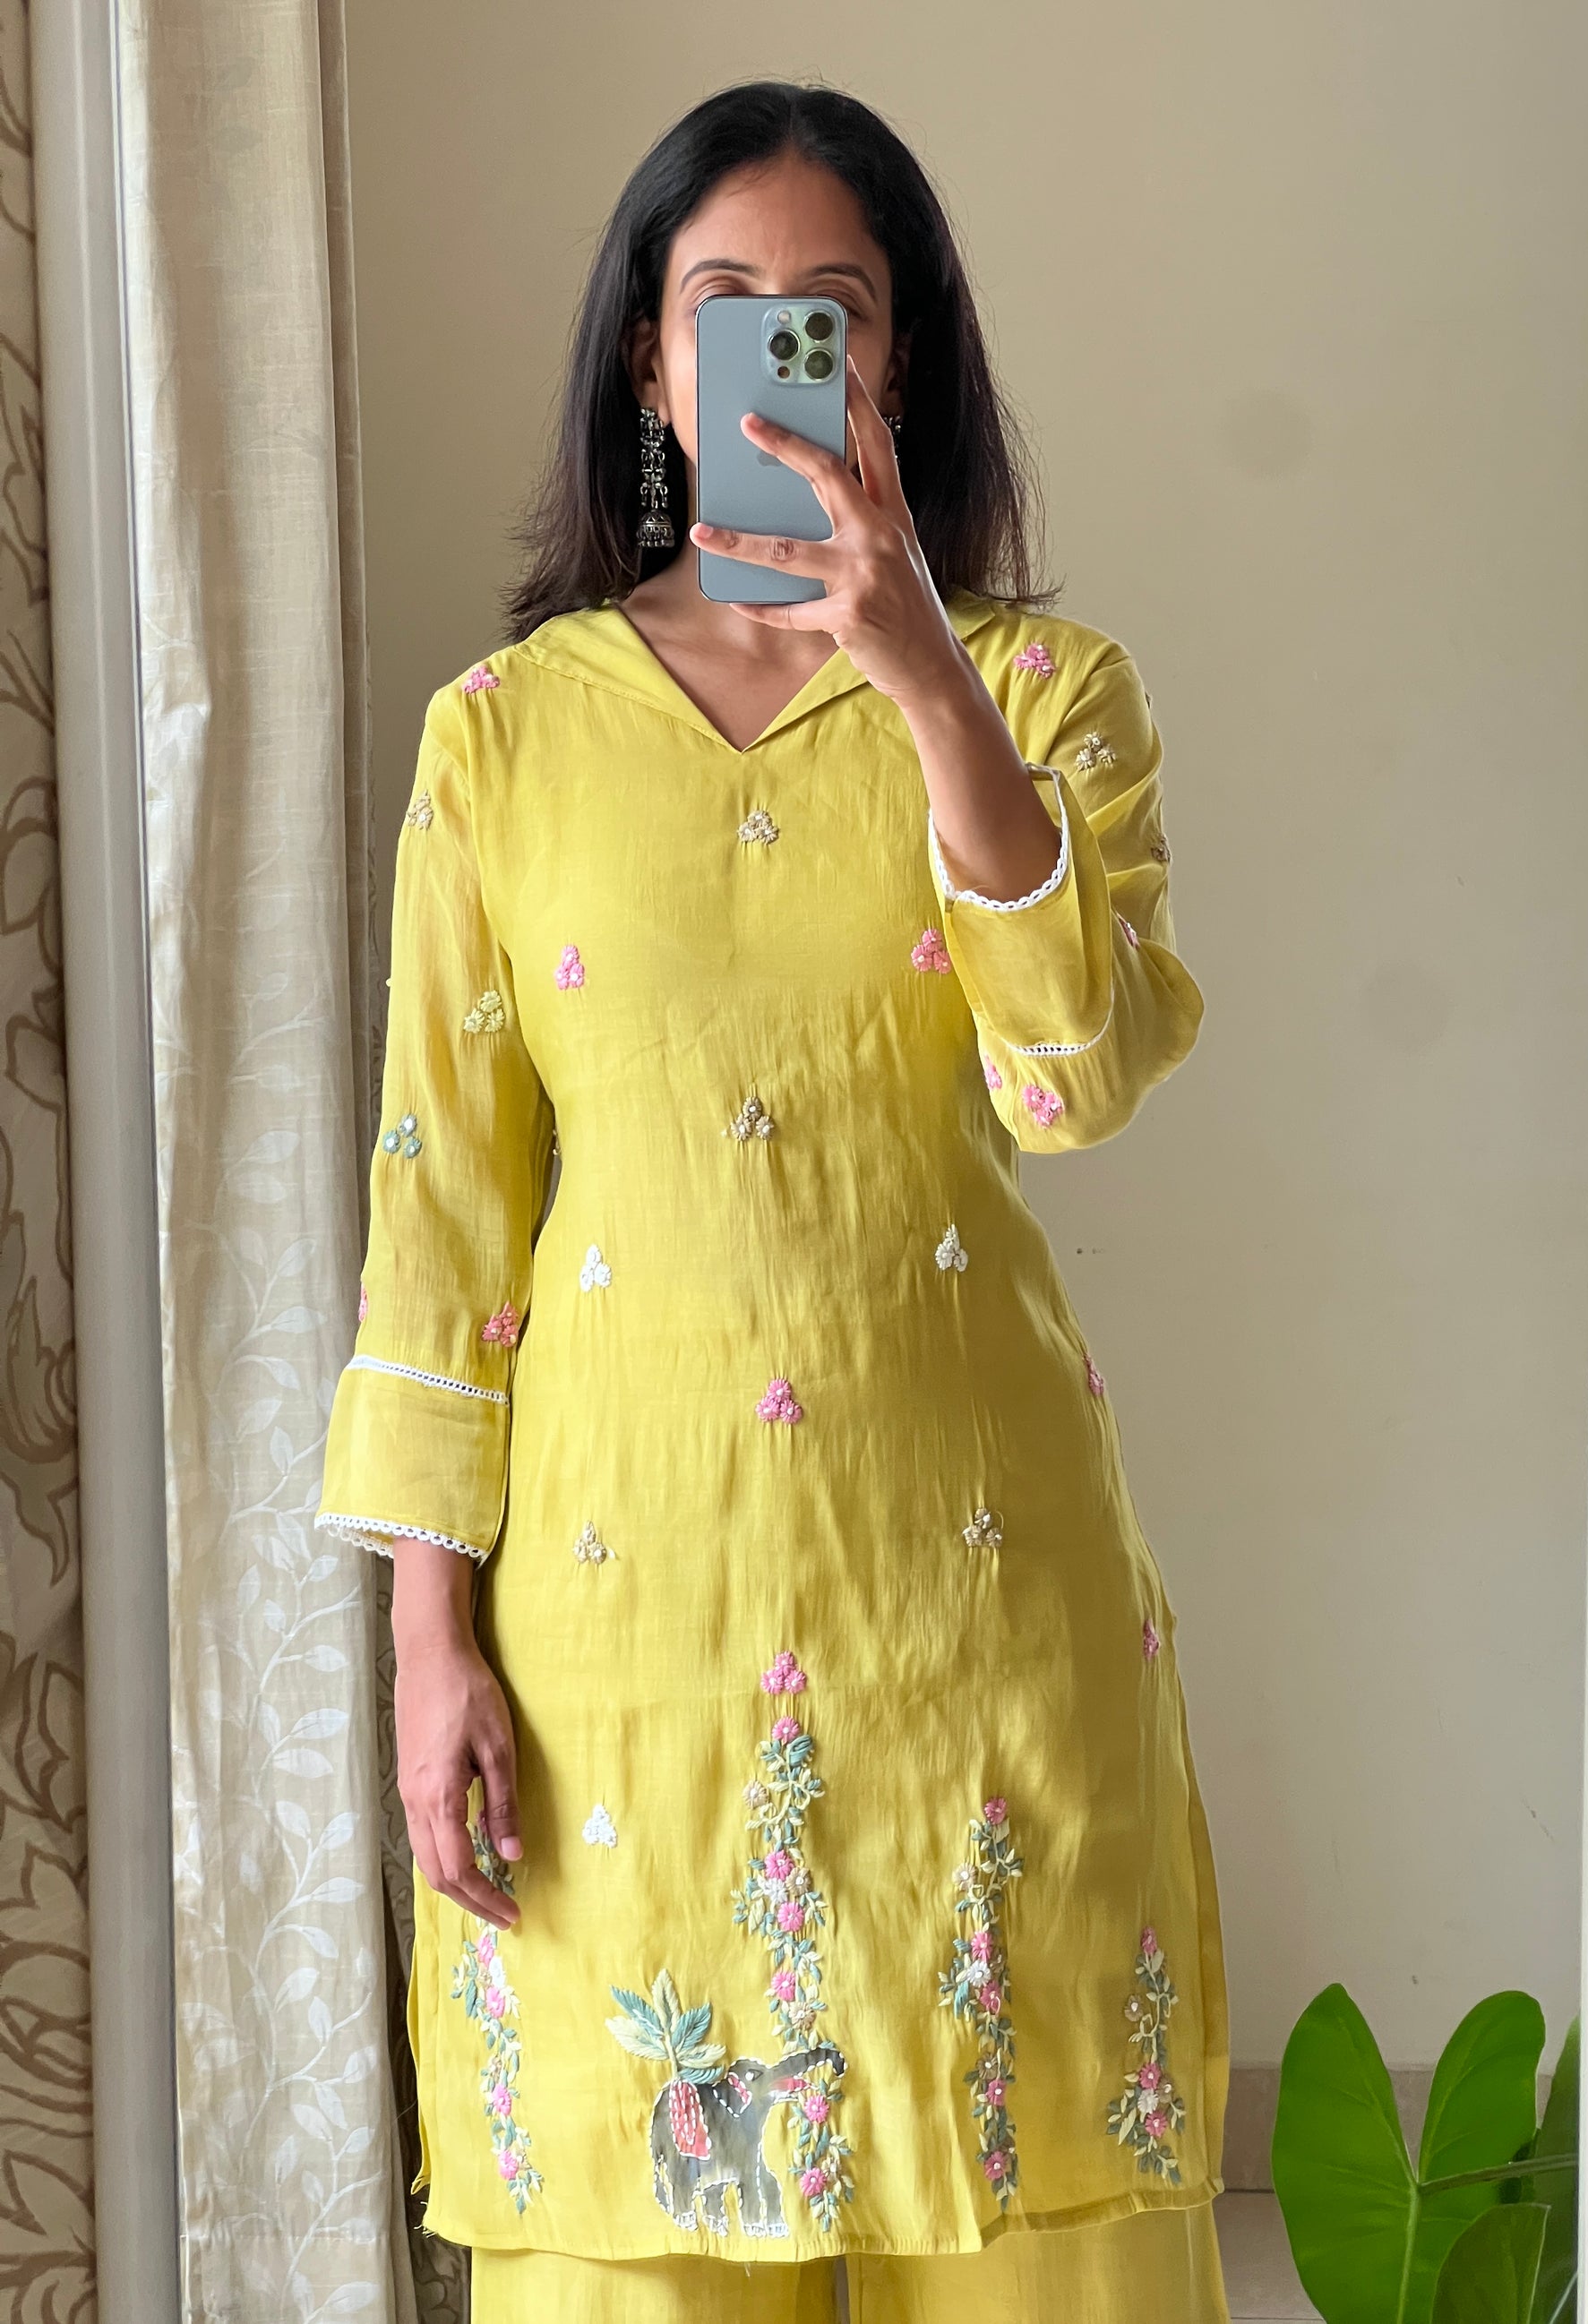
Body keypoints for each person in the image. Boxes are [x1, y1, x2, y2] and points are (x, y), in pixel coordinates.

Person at [318, 78, 1230, 2324]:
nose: (774, 345)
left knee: (1021, 2227)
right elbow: (441, 1224)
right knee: (640, 2252)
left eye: (831, 307)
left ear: (895, 364)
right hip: (620, 1670)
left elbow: (1076, 1071)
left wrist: (920, 673)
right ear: (651, 360)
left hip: (970, 1643)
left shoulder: (1044, 697)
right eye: (724, 300)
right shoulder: (502, 734)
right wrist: (428, 1643)